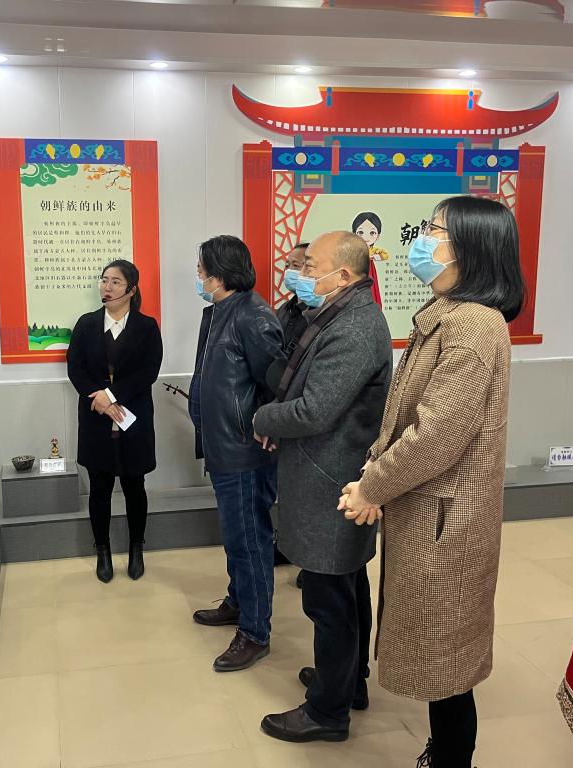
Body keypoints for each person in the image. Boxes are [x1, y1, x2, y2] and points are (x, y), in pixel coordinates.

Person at [340, 195, 524, 768]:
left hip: (448, 518)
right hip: (428, 508)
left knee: (446, 652)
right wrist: (377, 478)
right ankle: (444, 750)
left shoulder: (473, 324)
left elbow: (437, 434)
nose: (424, 238)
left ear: (471, 247)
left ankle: (450, 757)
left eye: (435, 229)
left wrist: (373, 487)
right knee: (441, 647)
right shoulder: (450, 312)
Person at [253, 231, 392, 743]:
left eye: (310, 265)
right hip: (327, 474)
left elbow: (315, 409)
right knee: (345, 586)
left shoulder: (353, 326)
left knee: (329, 599)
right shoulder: (337, 314)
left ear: (344, 275)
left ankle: (328, 712)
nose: (300, 273)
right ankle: (348, 682)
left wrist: (262, 417)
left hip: (331, 480)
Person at [189, 235, 285, 672]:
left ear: (220, 272)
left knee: (249, 541)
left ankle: (255, 632)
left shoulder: (253, 316)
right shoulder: (220, 312)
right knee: (236, 538)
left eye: (202, 268)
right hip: (222, 446)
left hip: (245, 450)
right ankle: (238, 601)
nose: (198, 275)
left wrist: (267, 425)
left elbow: (278, 382)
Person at [67, 260, 163, 583]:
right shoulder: (86, 324)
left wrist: (111, 395)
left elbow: (148, 372)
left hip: (133, 419)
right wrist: (101, 402)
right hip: (96, 419)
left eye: (115, 282)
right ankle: (103, 551)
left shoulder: (147, 327)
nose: (106, 287)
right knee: (100, 488)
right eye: (104, 280)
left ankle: (137, 548)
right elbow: (75, 369)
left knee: (135, 487)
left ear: (131, 290)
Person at [274, 242, 309, 570]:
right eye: (288, 265)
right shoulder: (284, 311)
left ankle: (309, 560)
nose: (291, 272)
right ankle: (287, 545)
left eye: (299, 265)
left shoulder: (320, 315)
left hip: (305, 408)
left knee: (308, 492)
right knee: (286, 487)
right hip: (281, 404)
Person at [352, 211, 389, 307]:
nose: (366, 237)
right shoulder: (354, 249)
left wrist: (374, 257)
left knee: (372, 288)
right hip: (357, 270)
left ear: (378, 236)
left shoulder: (374, 250)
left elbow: (385, 255)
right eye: (361, 232)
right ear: (354, 234)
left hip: (370, 270)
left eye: (372, 233)